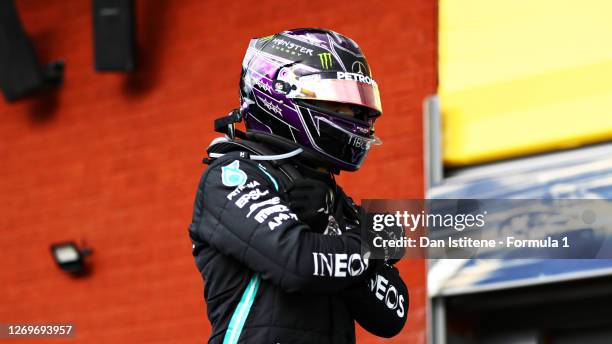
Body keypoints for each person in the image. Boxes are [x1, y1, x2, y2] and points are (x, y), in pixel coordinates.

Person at [188, 28, 408, 344]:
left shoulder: (332, 197)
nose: (356, 114)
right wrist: (370, 245)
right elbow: (299, 265)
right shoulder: (229, 177)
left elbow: (391, 315)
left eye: (359, 105)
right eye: (340, 102)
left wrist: (337, 231)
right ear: (279, 94)